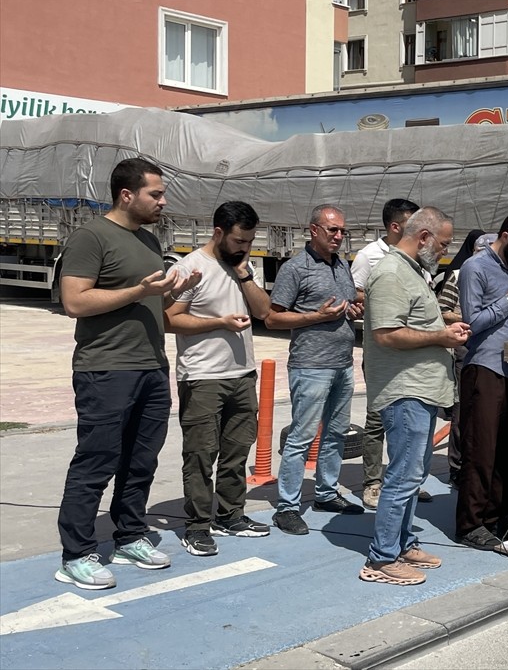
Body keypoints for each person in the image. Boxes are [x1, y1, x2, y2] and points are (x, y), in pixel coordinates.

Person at [55, 157, 201, 590]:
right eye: (155, 194)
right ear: (126, 194)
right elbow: (75, 303)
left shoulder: (150, 241)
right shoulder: (91, 236)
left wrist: (175, 290)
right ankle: (76, 554)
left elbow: (149, 300)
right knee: (96, 461)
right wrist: (141, 290)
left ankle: (130, 536)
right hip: (106, 368)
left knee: (141, 461)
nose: (163, 201)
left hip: (152, 367)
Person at [359, 207, 468, 586]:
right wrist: (440, 337)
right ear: (423, 236)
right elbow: (386, 334)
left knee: (413, 474)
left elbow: (413, 322)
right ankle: (382, 558)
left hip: (420, 389)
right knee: (403, 477)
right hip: (404, 391)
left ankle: (402, 543)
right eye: (443, 244)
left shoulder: (410, 272)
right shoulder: (390, 274)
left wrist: (446, 325)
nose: (444, 251)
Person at [165, 201, 273, 557]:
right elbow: (169, 319)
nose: (245, 247)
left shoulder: (242, 267)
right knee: (200, 453)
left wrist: (244, 272)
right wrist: (219, 323)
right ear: (218, 233)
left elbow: (263, 312)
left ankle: (231, 515)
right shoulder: (191, 267)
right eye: (239, 240)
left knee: (236, 451)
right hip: (202, 377)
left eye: (249, 241)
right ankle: (197, 525)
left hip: (242, 374)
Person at [266, 204, 365, 536]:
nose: (339, 237)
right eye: (332, 230)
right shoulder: (295, 269)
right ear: (313, 230)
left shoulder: (342, 266)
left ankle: (325, 493)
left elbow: (343, 305)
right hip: (310, 366)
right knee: (302, 437)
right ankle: (287, 507)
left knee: (336, 434)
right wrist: (314, 317)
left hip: (341, 364)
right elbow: (273, 317)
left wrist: (352, 309)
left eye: (342, 231)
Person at [455, 211, 508, 550]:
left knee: (506, 450)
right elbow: (471, 322)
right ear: (505, 237)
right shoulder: (475, 268)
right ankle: (470, 524)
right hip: (485, 367)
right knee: (481, 450)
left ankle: (496, 517)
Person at [350, 198, 418, 511]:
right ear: (394, 226)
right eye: (412, 224)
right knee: (377, 417)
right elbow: (353, 291)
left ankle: (400, 482)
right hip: (380, 350)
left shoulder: (417, 257)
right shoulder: (369, 256)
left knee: (406, 418)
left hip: (411, 349)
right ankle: (372, 483)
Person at [438, 231, 493, 486]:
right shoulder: (459, 275)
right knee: (462, 409)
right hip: (465, 348)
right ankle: (456, 466)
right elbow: (442, 310)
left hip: (490, 350)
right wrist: (466, 318)